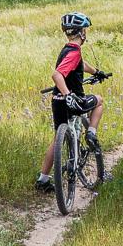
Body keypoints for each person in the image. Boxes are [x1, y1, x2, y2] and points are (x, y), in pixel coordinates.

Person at [36, 11, 105, 192]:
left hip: (57, 101)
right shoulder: (74, 52)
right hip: (71, 99)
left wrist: (96, 72)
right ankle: (91, 133)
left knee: (57, 138)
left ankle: (43, 179)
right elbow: (57, 74)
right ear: (81, 32)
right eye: (85, 30)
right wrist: (69, 94)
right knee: (99, 101)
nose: (86, 33)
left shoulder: (68, 50)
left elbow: (80, 65)